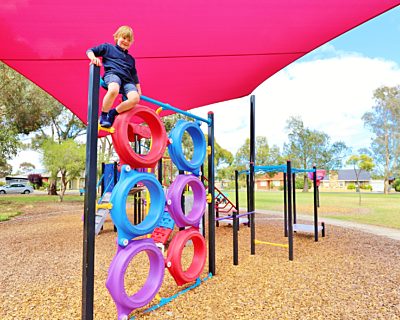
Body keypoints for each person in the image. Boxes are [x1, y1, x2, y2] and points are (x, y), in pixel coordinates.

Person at [86, 25, 142, 128]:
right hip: (113, 74)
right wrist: (93, 58)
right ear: (117, 37)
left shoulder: (130, 59)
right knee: (113, 89)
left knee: (135, 99)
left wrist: (138, 88)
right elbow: (90, 51)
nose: (126, 41)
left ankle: (113, 112)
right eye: (124, 38)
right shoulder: (108, 47)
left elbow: (134, 74)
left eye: (129, 40)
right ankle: (104, 115)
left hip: (127, 81)